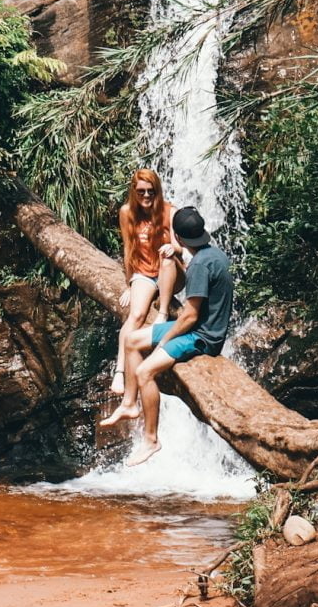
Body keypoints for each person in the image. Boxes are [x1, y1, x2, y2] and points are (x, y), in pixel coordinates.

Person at [99, 206, 234, 466]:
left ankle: (151, 439)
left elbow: (190, 316)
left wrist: (164, 340)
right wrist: (178, 252)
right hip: (198, 327)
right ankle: (129, 403)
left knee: (144, 372)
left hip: (202, 337)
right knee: (131, 340)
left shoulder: (199, 268)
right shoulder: (213, 254)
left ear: (179, 237)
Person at [110, 170, 182, 398]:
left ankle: (162, 313)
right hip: (144, 273)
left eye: (151, 191)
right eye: (141, 191)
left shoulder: (170, 212)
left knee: (168, 257)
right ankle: (120, 371)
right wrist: (129, 285)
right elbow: (127, 248)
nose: (147, 195)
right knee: (136, 316)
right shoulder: (126, 213)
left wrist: (173, 248)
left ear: (158, 190)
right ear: (133, 191)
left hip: (172, 272)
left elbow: (182, 247)